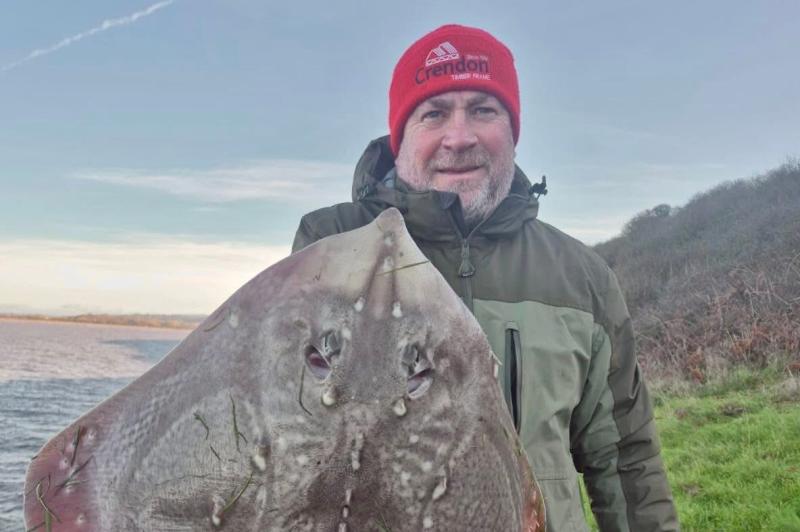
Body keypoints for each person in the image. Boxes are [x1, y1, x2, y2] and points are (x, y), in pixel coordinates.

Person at [292, 24, 679, 531]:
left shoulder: (582, 278)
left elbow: (626, 458)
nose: (460, 136)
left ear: (513, 130)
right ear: (401, 137)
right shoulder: (331, 244)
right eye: (433, 113)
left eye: (483, 109)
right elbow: (276, 431)